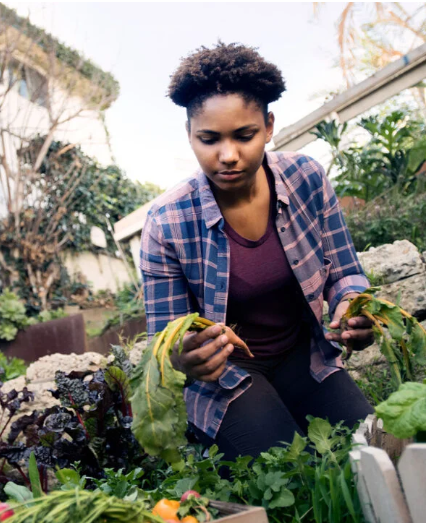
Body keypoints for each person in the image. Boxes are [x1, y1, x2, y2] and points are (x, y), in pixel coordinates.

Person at [139, 41, 376, 462]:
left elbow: (346, 274)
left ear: (268, 126)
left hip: (305, 356)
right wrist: (187, 359)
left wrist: (353, 308)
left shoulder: (306, 178)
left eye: (244, 136)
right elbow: (168, 339)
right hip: (229, 376)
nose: (227, 156)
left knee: (373, 451)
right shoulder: (166, 223)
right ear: (188, 135)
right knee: (292, 476)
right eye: (209, 139)